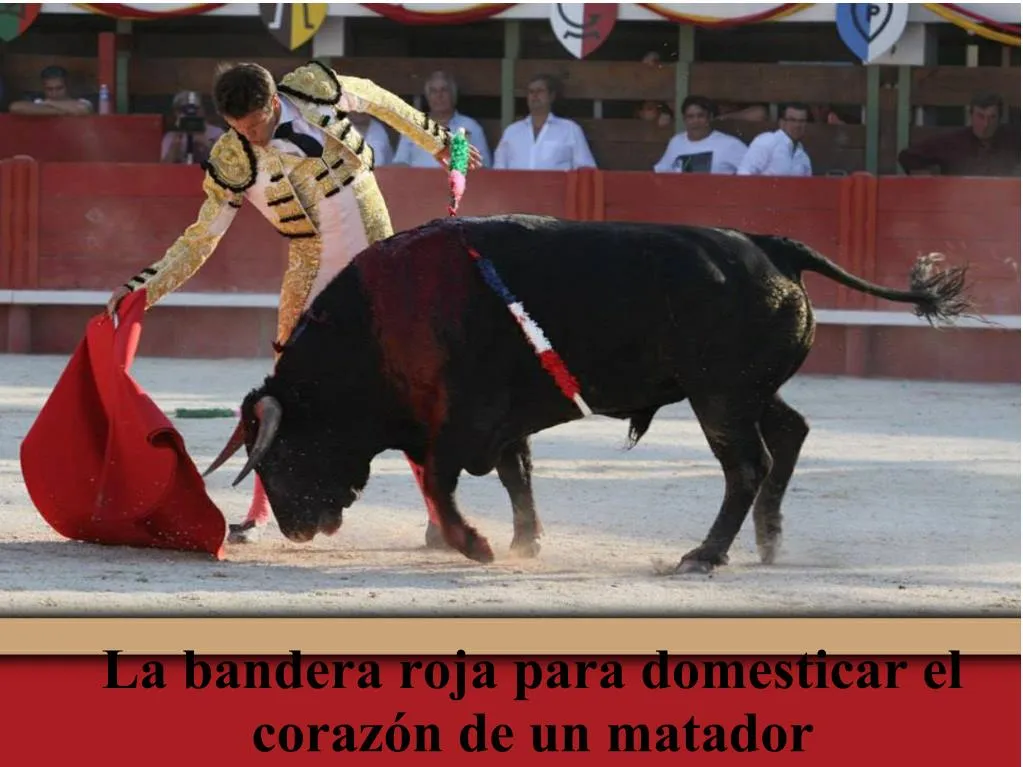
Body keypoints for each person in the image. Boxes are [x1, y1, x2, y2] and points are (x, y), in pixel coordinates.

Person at [105, 60, 481, 545]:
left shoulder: (311, 90)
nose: (254, 138)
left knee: (403, 384)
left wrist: (438, 141)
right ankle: (259, 514)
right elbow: (201, 239)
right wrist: (145, 286)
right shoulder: (232, 158)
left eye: (258, 125)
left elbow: (379, 100)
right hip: (311, 266)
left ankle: (439, 515)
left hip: (375, 255)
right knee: (280, 393)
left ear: (275, 102)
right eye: (241, 129)